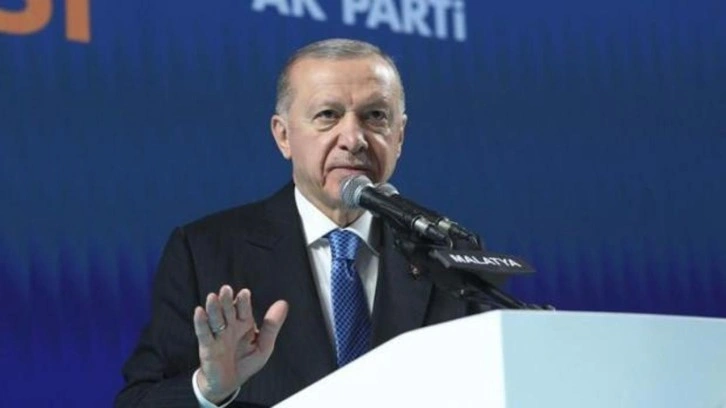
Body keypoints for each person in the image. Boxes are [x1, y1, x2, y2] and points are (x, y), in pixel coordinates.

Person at [115, 38, 473, 408]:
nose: (354, 139)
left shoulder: (450, 258)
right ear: (283, 135)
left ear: (399, 136)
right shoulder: (204, 252)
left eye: (375, 116)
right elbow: (137, 402)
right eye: (328, 115)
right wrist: (209, 389)